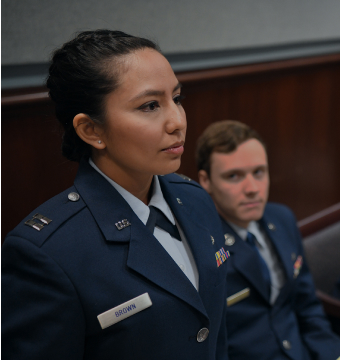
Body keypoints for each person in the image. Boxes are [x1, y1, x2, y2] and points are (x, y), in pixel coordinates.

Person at [2, 30, 229, 360]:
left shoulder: (194, 199)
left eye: (176, 99)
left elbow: (216, 334)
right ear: (91, 130)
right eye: (150, 105)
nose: (177, 121)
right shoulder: (46, 253)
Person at [196, 120, 340, 360]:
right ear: (206, 181)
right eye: (234, 176)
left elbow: (306, 306)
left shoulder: (282, 218)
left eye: (258, 172)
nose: (253, 188)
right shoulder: (201, 247)